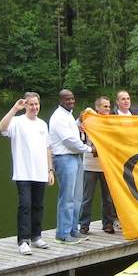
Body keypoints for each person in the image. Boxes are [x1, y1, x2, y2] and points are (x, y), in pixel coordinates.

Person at [0, 92, 54, 255]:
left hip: (40, 172)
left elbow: (48, 148)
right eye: (31, 104)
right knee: (25, 206)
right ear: (25, 105)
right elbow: (1, 128)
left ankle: (36, 236)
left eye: (36, 104)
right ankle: (23, 240)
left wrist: (50, 170)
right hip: (23, 173)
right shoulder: (16, 122)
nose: (34, 107)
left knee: (38, 206)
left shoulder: (43, 124)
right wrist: (15, 109)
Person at [49, 90, 93, 244]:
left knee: (77, 198)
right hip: (64, 158)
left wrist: (80, 121)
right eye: (67, 99)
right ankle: (62, 233)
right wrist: (89, 149)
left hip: (75, 158)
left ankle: (73, 230)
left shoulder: (68, 115)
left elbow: (73, 131)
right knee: (67, 198)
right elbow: (68, 140)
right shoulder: (58, 117)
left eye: (72, 98)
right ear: (60, 100)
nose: (70, 101)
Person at [78, 97, 118, 234]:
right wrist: (87, 113)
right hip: (90, 165)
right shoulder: (89, 120)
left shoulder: (111, 122)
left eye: (109, 106)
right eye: (105, 106)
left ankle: (108, 223)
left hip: (106, 166)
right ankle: (84, 225)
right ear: (98, 108)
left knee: (108, 198)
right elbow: (79, 120)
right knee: (87, 197)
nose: (108, 109)